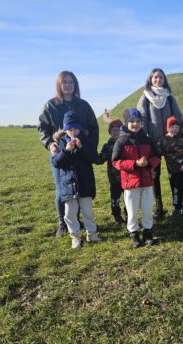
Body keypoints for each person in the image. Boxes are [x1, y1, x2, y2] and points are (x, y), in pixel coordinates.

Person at [38, 71, 99, 237]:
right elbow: (42, 128)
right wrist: (50, 143)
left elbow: (93, 127)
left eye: (71, 82)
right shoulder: (51, 105)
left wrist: (90, 148)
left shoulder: (83, 105)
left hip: (81, 152)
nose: (68, 85)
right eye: (64, 82)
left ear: (75, 85)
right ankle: (62, 222)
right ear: (59, 85)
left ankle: (77, 220)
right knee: (62, 188)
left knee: (80, 186)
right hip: (61, 152)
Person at [137, 68, 183, 219]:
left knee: (175, 173)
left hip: (170, 142)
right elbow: (142, 118)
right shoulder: (145, 97)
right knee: (154, 175)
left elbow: (178, 116)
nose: (158, 80)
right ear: (150, 79)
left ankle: (177, 205)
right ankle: (159, 207)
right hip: (153, 143)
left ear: (164, 79)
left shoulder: (169, 98)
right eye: (155, 77)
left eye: (160, 77)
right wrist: (145, 137)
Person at [112, 109, 161, 248]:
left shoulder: (148, 140)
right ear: (126, 123)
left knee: (147, 209)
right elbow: (116, 161)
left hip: (147, 182)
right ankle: (133, 233)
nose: (135, 124)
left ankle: (147, 232)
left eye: (138, 121)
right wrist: (134, 164)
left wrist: (149, 163)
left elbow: (157, 157)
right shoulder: (122, 141)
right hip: (130, 183)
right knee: (132, 211)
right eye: (132, 121)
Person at [51, 111, 101, 249]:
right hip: (68, 185)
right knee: (69, 213)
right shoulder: (60, 143)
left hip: (85, 183)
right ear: (65, 129)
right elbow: (56, 163)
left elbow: (94, 158)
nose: (73, 131)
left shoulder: (86, 141)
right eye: (69, 129)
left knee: (88, 211)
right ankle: (75, 236)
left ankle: (92, 233)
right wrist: (66, 151)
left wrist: (81, 148)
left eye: (75, 128)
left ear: (80, 128)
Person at [158, 116, 183, 220]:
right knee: (173, 186)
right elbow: (157, 152)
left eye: (176, 127)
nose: (174, 129)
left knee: (177, 187)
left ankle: (177, 208)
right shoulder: (163, 140)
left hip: (181, 169)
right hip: (171, 169)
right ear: (167, 128)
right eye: (172, 127)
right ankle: (179, 204)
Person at [96, 119, 127, 226]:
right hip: (114, 178)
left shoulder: (126, 143)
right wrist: (92, 155)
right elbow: (100, 160)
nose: (116, 132)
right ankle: (117, 215)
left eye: (118, 129)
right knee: (115, 198)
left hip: (127, 177)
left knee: (128, 198)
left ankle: (128, 214)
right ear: (109, 132)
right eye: (113, 130)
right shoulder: (107, 146)